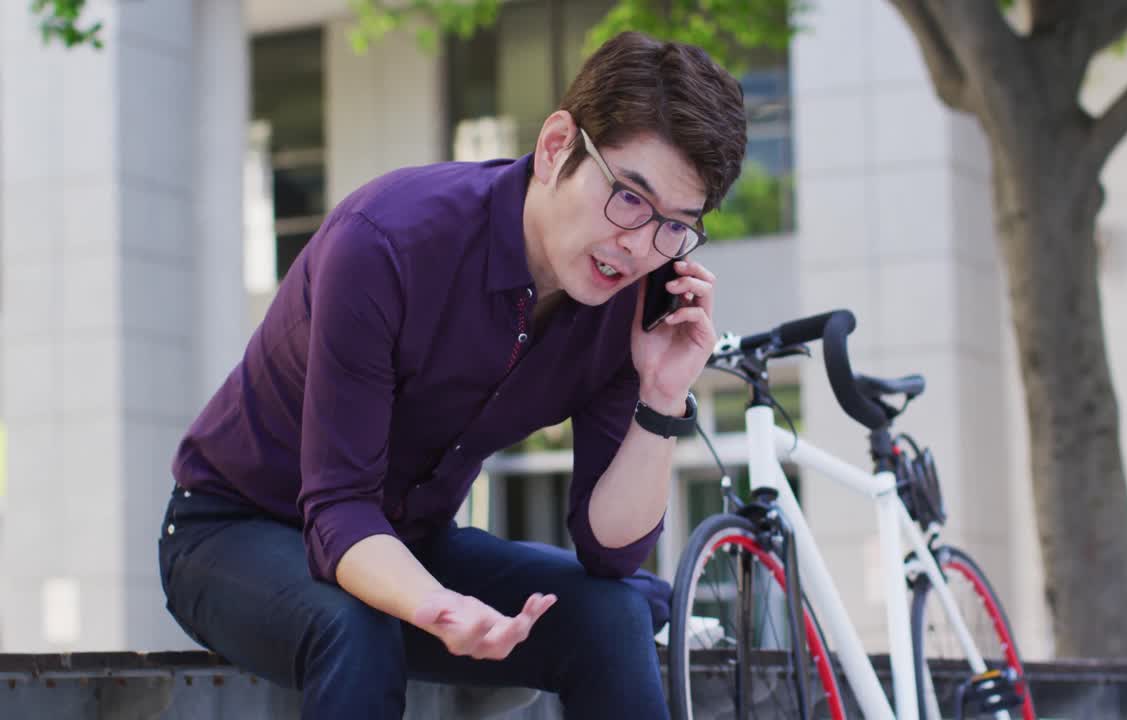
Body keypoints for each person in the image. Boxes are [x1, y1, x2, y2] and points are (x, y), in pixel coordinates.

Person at [156, 30, 747, 719]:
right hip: (231, 532)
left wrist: (661, 395)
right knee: (358, 624)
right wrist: (439, 606)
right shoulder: (386, 242)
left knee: (615, 613)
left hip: (408, 542)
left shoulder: (631, 307)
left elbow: (608, 551)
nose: (641, 246)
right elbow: (341, 511)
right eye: (629, 199)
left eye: (676, 226)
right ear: (558, 146)